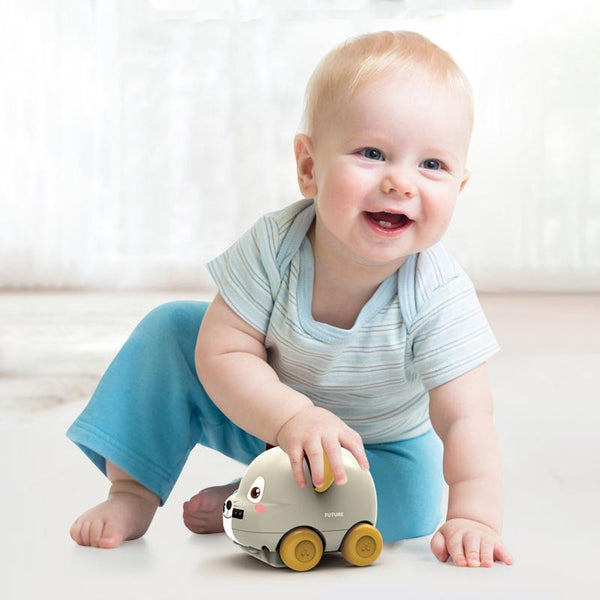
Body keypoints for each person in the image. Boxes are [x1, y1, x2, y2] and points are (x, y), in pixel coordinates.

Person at [67, 30, 513, 568]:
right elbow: (224, 353)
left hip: (374, 450)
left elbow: (466, 418)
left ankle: (261, 499)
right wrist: (291, 419)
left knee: (411, 502)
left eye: (432, 165)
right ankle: (133, 490)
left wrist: (475, 516)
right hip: (262, 412)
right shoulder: (275, 247)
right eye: (372, 153)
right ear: (308, 168)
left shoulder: (437, 292)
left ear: (458, 189)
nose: (401, 182)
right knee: (173, 329)